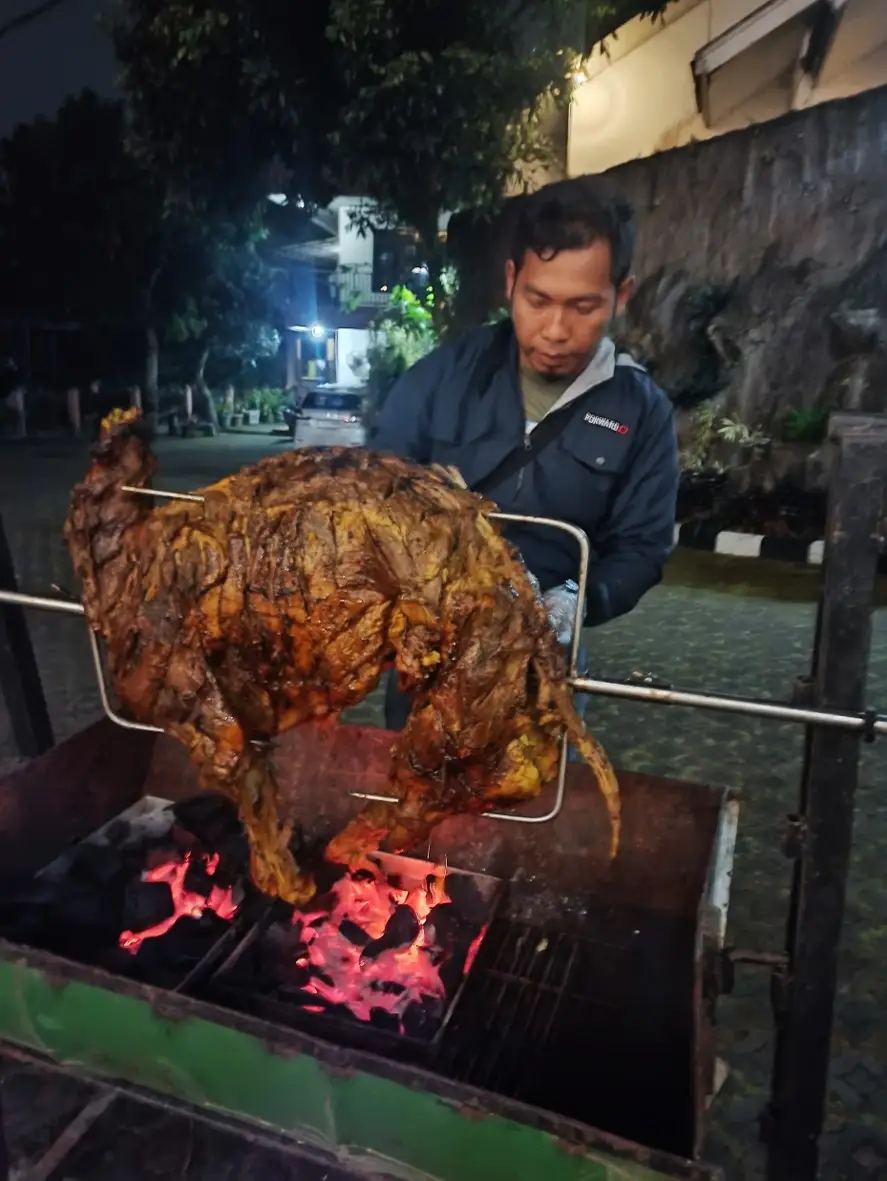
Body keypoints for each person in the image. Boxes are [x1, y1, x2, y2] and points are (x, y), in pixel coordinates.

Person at [372, 175, 679, 731]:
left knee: (532, 802)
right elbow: (375, 493)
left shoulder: (643, 413)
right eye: (539, 300)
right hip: (429, 658)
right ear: (512, 281)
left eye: (584, 306)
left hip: (546, 666)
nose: (556, 330)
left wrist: (577, 603)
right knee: (413, 794)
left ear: (622, 295)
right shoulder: (443, 378)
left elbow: (643, 546)